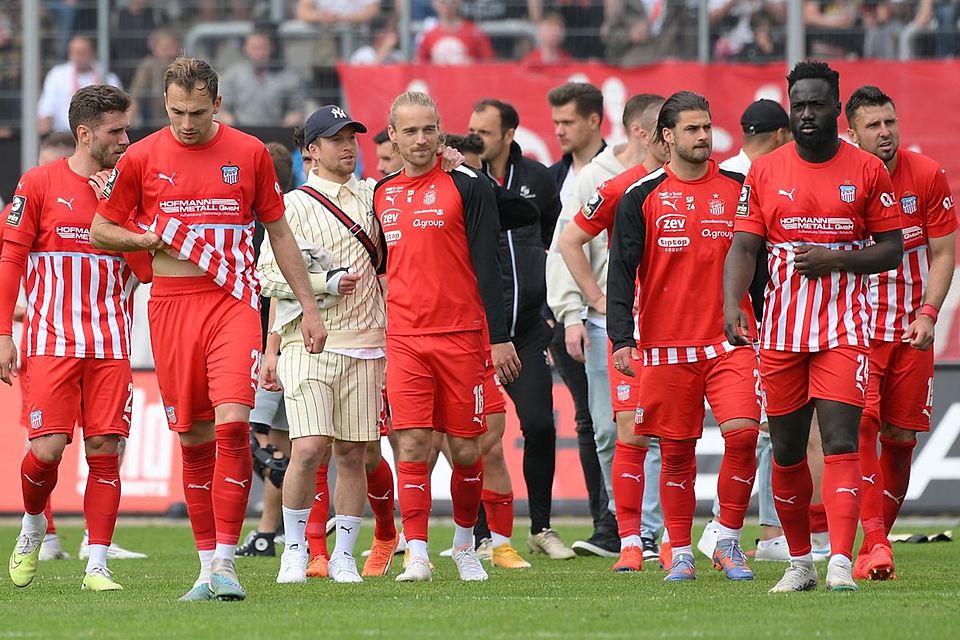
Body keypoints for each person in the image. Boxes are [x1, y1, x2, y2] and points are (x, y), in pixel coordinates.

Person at [90, 57, 326, 602]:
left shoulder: (248, 153)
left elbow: (279, 233)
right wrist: (145, 242)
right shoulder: (143, 156)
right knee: (194, 440)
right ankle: (205, 567)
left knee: (232, 426)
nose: (186, 123)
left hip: (231, 303)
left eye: (197, 112)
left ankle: (226, 560)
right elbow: (103, 227)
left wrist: (308, 308)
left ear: (217, 104)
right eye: (175, 111)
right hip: (171, 304)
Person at [723, 60, 904, 593]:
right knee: (784, 449)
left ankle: (841, 563)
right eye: (798, 105)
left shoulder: (868, 170)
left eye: (816, 104)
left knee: (843, 441)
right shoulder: (765, 170)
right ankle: (801, 562)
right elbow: (744, 245)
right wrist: (733, 302)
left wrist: (836, 260)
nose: (806, 114)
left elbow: (892, 249)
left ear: (836, 108)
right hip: (780, 330)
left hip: (845, 328)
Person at [607, 91, 762, 582]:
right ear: (667, 136)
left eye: (707, 127)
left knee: (743, 434)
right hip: (666, 345)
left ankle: (727, 539)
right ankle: (680, 550)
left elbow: (760, 265)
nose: (703, 137)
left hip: (730, 339)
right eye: (692, 129)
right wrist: (620, 338)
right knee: (676, 453)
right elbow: (621, 269)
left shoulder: (741, 188)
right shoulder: (641, 195)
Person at [374, 90, 521, 582]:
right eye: (409, 130)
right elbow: (381, 267)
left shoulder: (466, 186)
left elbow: (489, 264)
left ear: (440, 132)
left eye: (428, 129)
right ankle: (416, 553)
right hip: (406, 339)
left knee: (465, 450)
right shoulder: (382, 192)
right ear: (392, 135)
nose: (420, 139)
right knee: (412, 445)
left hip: (462, 336)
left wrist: (498, 338)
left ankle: (463, 545)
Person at [1, 84, 139, 591]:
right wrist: (2, 334)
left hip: (110, 342)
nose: (126, 139)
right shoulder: (38, 183)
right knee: (48, 449)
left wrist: (118, 214)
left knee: (105, 446)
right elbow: (11, 258)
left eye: (126, 129)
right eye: (116, 131)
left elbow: (144, 269)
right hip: (51, 342)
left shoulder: (129, 188)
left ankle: (97, 563)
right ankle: (35, 522)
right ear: (85, 134)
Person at [258, 105, 391, 584]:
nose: (348, 146)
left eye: (352, 137)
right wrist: (326, 282)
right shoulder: (291, 206)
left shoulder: (376, 195)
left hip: (369, 341)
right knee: (310, 446)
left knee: (354, 453)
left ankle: (345, 555)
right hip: (308, 341)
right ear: (310, 151)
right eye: (336, 139)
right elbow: (269, 274)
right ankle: (295, 549)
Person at [845, 85, 956, 581]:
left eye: (890, 122)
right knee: (863, 425)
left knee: (901, 437)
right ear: (852, 132)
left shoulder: (928, 175)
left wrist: (929, 313)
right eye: (874, 125)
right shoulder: (842, 181)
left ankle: (874, 545)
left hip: (912, 326)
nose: (885, 133)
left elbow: (945, 253)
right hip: (858, 329)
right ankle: (874, 542)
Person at [555, 93, 668, 568]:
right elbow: (567, 241)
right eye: (672, 129)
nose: (686, 138)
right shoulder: (605, 181)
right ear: (647, 133)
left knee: (662, 431)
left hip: (670, 324)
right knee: (609, 430)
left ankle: (654, 531)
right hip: (613, 324)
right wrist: (586, 305)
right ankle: (629, 527)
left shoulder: (699, 180)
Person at [468, 98, 572, 564]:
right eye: (470, 130)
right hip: (477, 333)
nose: (474, 140)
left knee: (540, 426)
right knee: (478, 436)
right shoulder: (465, 181)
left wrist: (549, 309)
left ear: (509, 134)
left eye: (484, 132)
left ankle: (542, 527)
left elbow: (553, 240)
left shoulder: (538, 179)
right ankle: (482, 534)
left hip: (529, 328)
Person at [698, 98, 793, 562]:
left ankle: (761, 531)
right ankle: (723, 529)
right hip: (740, 322)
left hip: (744, 318)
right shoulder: (745, 179)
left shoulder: (730, 174)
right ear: (781, 136)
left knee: (757, 431)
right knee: (752, 430)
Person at [544, 81, 617, 557]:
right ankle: (604, 521)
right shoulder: (553, 179)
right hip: (566, 319)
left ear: (595, 120)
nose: (559, 131)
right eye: (554, 123)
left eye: (567, 121)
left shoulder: (614, 172)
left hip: (601, 317)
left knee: (611, 422)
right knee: (589, 422)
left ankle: (617, 524)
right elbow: (553, 252)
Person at [235, 141, 296, 558]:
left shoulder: (268, 223)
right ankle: (272, 530)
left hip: (265, 348)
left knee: (258, 439)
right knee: (277, 439)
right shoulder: (279, 217)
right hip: (271, 343)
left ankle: (276, 527)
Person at [38, 36, 123, 136]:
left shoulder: (107, 76)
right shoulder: (57, 75)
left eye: (83, 52)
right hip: (64, 134)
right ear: (69, 54)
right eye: (76, 52)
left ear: (92, 52)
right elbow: (46, 109)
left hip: (98, 135)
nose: (80, 56)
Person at [219, 31, 305, 128]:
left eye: (263, 47)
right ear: (245, 48)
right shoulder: (232, 74)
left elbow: (297, 110)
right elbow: (223, 109)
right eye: (254, 47)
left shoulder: (289, 76)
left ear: (271, 48)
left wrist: (283, 130)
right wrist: (236, 129)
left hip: (276, 132)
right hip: (241, 132)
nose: (259, 52)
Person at [129, 30, 182, 129]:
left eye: (172, 48)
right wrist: (126, 127)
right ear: (155, 49)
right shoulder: (148, 66)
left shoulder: (185, 66)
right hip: (154, 125)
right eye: (165, 49)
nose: (169, 53)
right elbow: (136, 97)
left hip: (181, 123)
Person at [417, 0, 494, 64]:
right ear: (434, 3)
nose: (448, 6)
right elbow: (421, 65)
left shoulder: (474, 32)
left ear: (460, 2)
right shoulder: (429, 35)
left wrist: (472, 63)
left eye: (452, 2)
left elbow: (488, 63)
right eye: (443, 2)